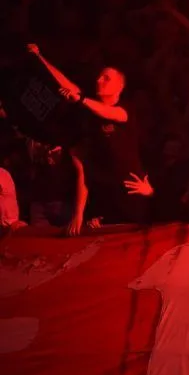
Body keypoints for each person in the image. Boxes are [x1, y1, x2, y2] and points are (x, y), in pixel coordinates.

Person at [27, 44, 145, 235]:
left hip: (133, 193)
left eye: (106, 78)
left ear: (120, 86)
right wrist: (39, 57)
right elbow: (65, 84)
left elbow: (112, 114)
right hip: (107, 199)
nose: (99, 80)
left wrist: (80, 99)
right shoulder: (88, 119)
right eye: (99, 77)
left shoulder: (125, 109)